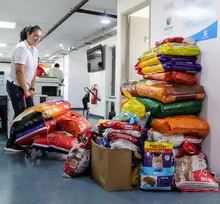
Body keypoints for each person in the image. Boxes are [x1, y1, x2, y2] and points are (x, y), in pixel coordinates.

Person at [5, 25, 42, 152]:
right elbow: (19, 72)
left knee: (31, 113)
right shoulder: (21, 48)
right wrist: (26, 91)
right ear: (28, 34)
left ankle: (23, 139)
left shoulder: (35, 50)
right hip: (15, 85)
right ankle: (11, 144)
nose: (37, 38)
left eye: (39, 36)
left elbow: (33, 72)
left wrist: (32, 89)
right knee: (20, 114)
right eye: (35, 35)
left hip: (25, 86)